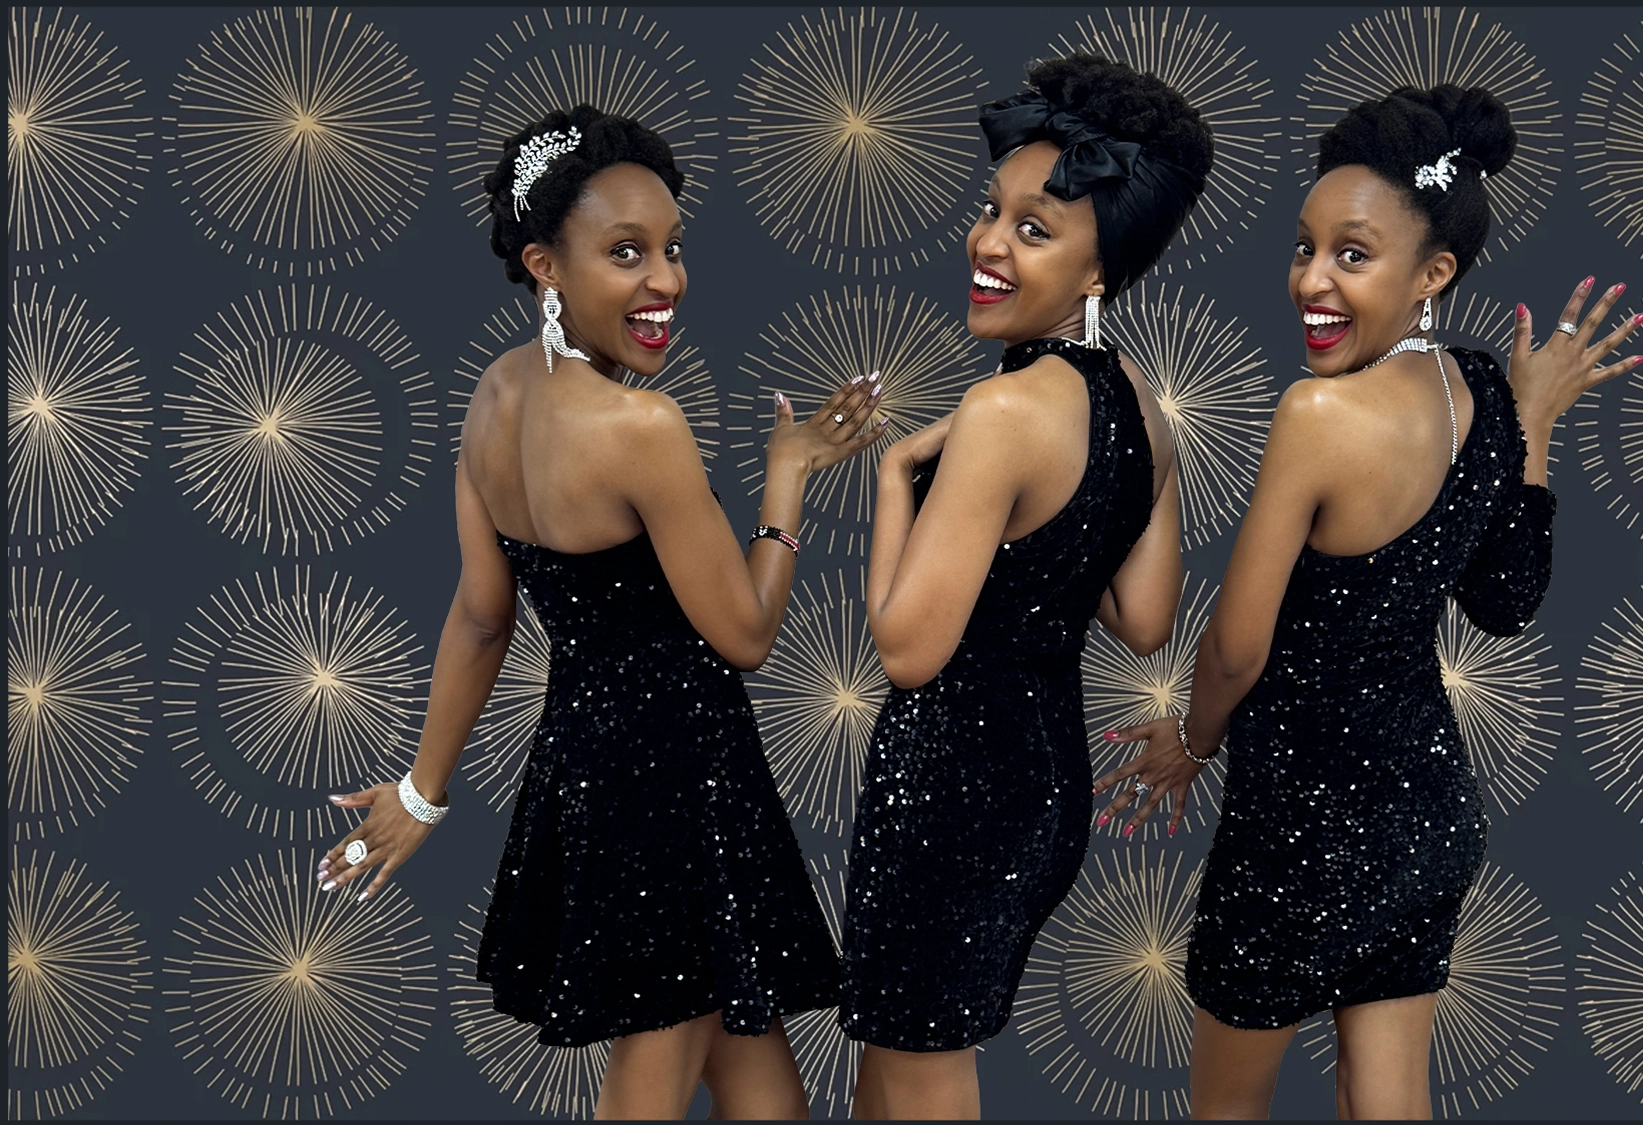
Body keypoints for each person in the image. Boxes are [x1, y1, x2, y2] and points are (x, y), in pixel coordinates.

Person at [312, 104, 886, 1120]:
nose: (664, 280)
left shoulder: (492, 397)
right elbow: (745, 635)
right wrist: (788, 481)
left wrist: (422, 791)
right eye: (625, 253)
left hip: (588, 767)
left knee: (758, 1077)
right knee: (652, 1075)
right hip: (671, 778)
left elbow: (482, 617)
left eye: (671, 248)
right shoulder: (639, 427)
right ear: (545, 264)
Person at [1094, 84, 1643, 1119]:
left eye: (1351, 255)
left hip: (1296, 828)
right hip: (1425, 820)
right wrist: (1530, 425)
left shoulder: (1318, 412)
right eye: (1303, 248)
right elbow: (1506, 602)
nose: (1310, 279)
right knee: (1385, 1100)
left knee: (1223, 1110)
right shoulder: (1480, 387)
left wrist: (1193, 743)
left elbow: (1233, 651)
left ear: (1432, 273)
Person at [837, 54, 1209, 1119]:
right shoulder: (1137, 399)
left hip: (951, 785)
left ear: (1099, 272)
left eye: (1034, 231)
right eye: (993, 211)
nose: (989, 244)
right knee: (903, 1058)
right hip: (1042, 791)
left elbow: (906, 650)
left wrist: (893, 481)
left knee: (917, 1070)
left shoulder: (1003, 416)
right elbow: (1143, 623)